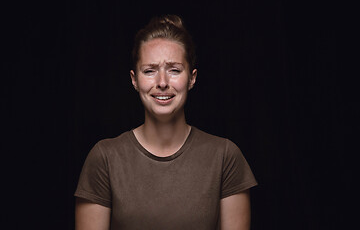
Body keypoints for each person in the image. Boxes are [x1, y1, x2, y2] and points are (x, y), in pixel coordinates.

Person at [74, 14, 257, 230]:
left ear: (192, 78)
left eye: (174, 70)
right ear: (134, 79)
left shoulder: (225, 157)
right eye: (150, 71)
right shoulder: (105, 158)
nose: (162, 83)